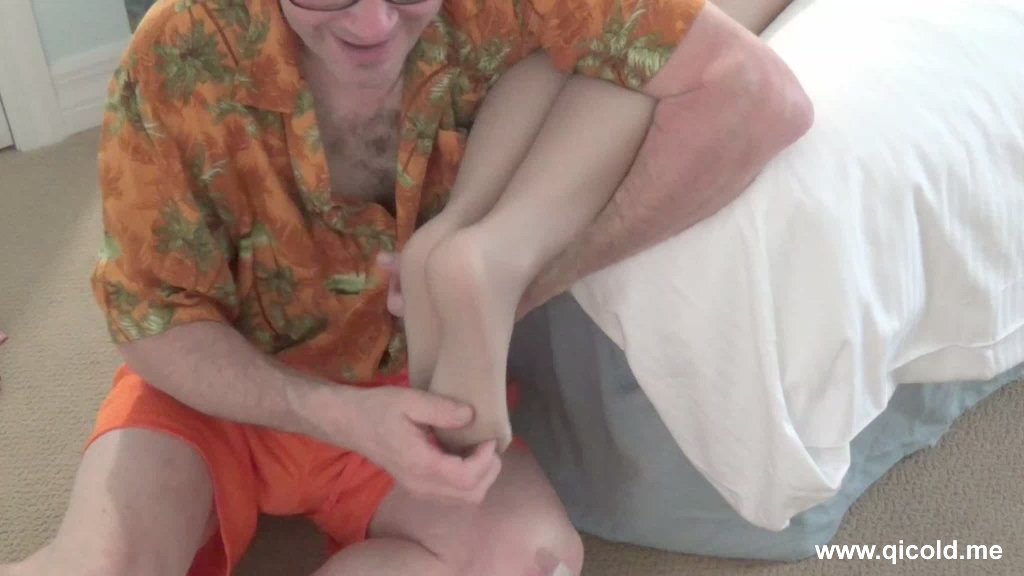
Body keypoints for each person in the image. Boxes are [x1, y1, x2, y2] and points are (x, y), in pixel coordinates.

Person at [0, 1, 811, 576]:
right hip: (217, 388)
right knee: (99, 563)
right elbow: (152, 321)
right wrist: (335, 415)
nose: (371, 23)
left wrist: (534, 277)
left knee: (533, 561)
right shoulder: (179, 48)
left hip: (406, 388)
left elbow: (760, 96)